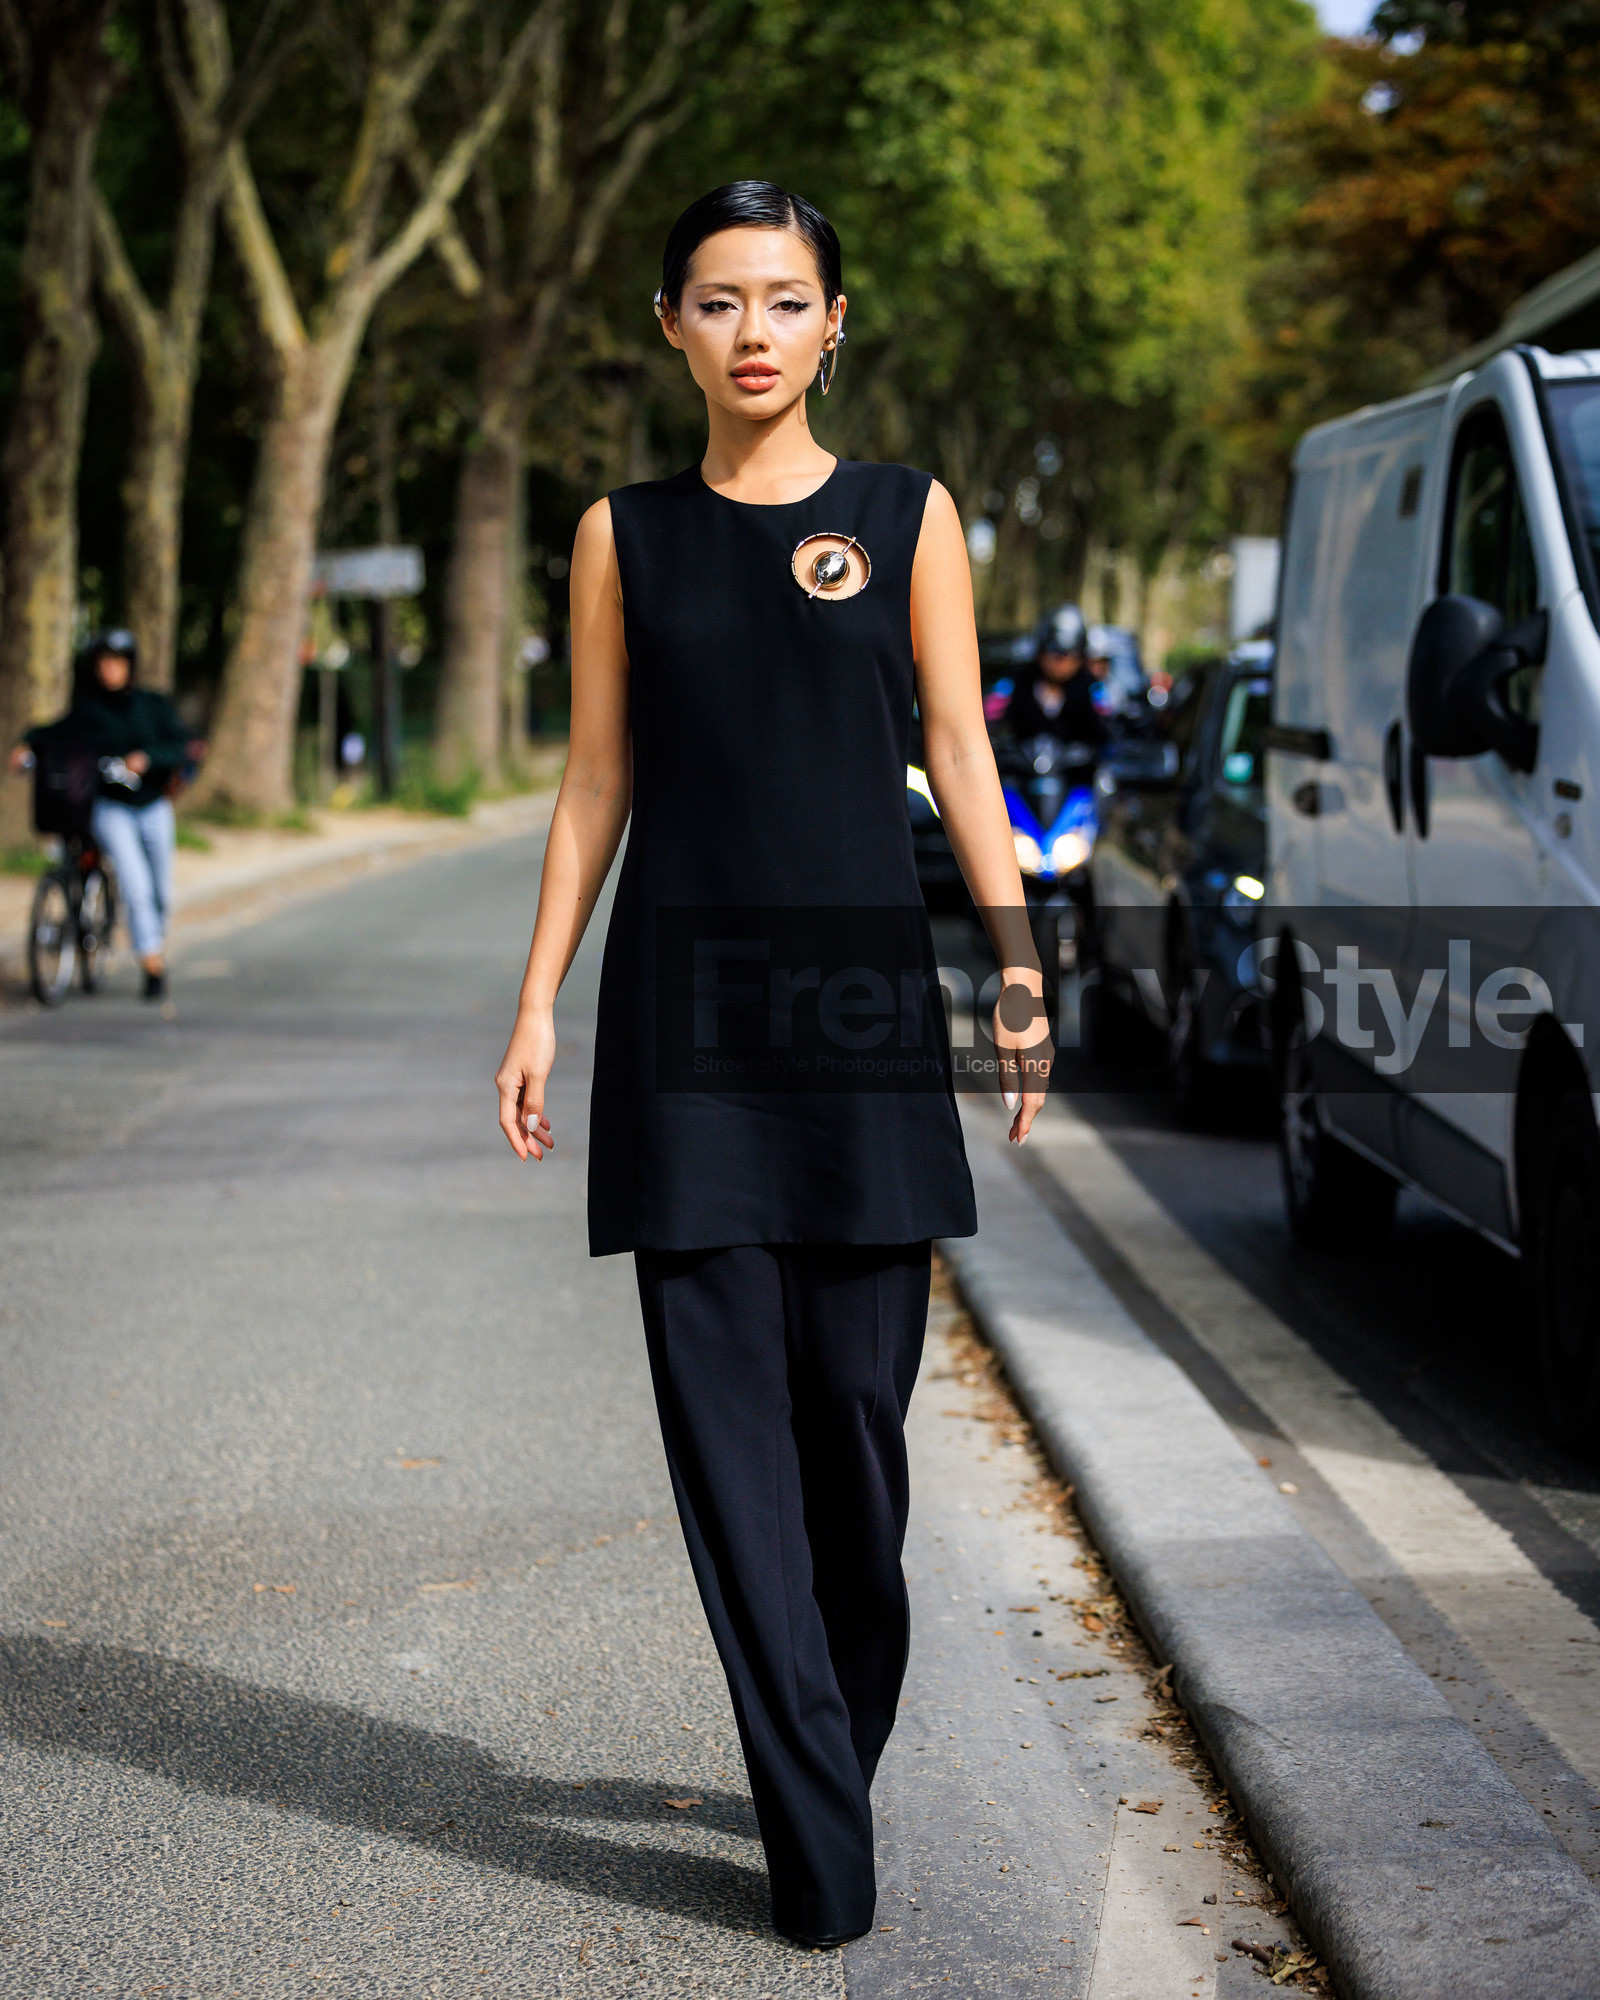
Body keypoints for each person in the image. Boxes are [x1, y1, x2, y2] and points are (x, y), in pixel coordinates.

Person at [493, 181, 1053, 1948]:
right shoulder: (620, 534)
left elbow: (960, 750)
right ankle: (820, 1839)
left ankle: (832, 1738)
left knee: (854, 1442)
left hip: (867, 1028)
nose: (753, 331)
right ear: (671, 325)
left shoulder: (906, 516)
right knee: (730, 1446)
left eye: (785, 300)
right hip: (689, 1036)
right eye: (720, 301)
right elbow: (597, 783)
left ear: (833, 325)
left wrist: (1019, 965)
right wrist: (536, 1000)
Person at [7, 631, 193, 1000]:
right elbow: (51, 732)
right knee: (135, 884)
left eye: (117, 663)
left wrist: (149, 759)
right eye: (104, 663)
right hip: (111, 808)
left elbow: (180, 747)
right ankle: (151, 963)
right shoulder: (88, 711)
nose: (110, 670)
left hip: (153, 805)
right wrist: (27, 743)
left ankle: (153, 940)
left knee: (160, 891)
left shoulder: (152, 706)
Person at [1001, 603, 1108, 751]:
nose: (1062, 662)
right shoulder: (1015, 683)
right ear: (1040, 652)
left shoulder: (1092, 688)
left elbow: (1108, 728)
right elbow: (992, 717)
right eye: (1054, 653)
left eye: (1070, 654)